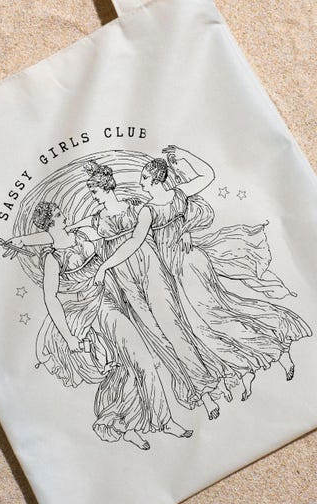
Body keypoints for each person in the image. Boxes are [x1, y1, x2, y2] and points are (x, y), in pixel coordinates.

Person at [130, 146, 312, 400]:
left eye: (144, 180)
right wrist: (182, 154)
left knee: (214, 320)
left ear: (157, 179)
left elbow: (135, 242)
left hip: (185, 267)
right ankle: (256, 364)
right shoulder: (176, 195)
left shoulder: (149, 210)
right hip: (187, 263)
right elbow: (207, 175)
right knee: (217, 316)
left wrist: (183, 153)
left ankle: (274, 353)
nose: (142, 186)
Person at [8, 200, 192, 450]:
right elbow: (50, 298)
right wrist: (69, 336)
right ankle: (164, 420)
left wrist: (22, 239)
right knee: (142, 358)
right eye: (60, 214)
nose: (65, 215)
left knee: (128, 366)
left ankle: (126, 425)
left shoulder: (80, 234)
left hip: (116, 294)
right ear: (51, 223)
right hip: (97, 308)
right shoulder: (52, 259)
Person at [75, 160, 223, 420]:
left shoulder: (137, 208)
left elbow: (135, 241)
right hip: (125, 278)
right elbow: (61, 235)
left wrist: (105, 266)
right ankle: (194, 392)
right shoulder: (96, 219)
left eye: (95, 192)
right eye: (91, 194)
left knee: (173, 327)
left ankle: (207, 389)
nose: (93, 197)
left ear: (107, 188)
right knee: (156, 336)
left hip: (149, 267)